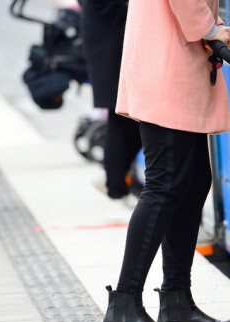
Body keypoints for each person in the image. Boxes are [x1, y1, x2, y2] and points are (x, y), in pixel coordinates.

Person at [101, 0, 230, 322]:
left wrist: (215, 27)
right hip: (167, 70)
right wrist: (211, 30)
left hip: (178, 65)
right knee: (165, 185)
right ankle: (124, 305)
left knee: (192, 183)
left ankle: (177, 300)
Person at [81, 0, 142, 224]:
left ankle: (112, 179)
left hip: (112, 37)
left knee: (132, 120)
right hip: (111, 42)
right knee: (121, 120)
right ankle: (115, 196)